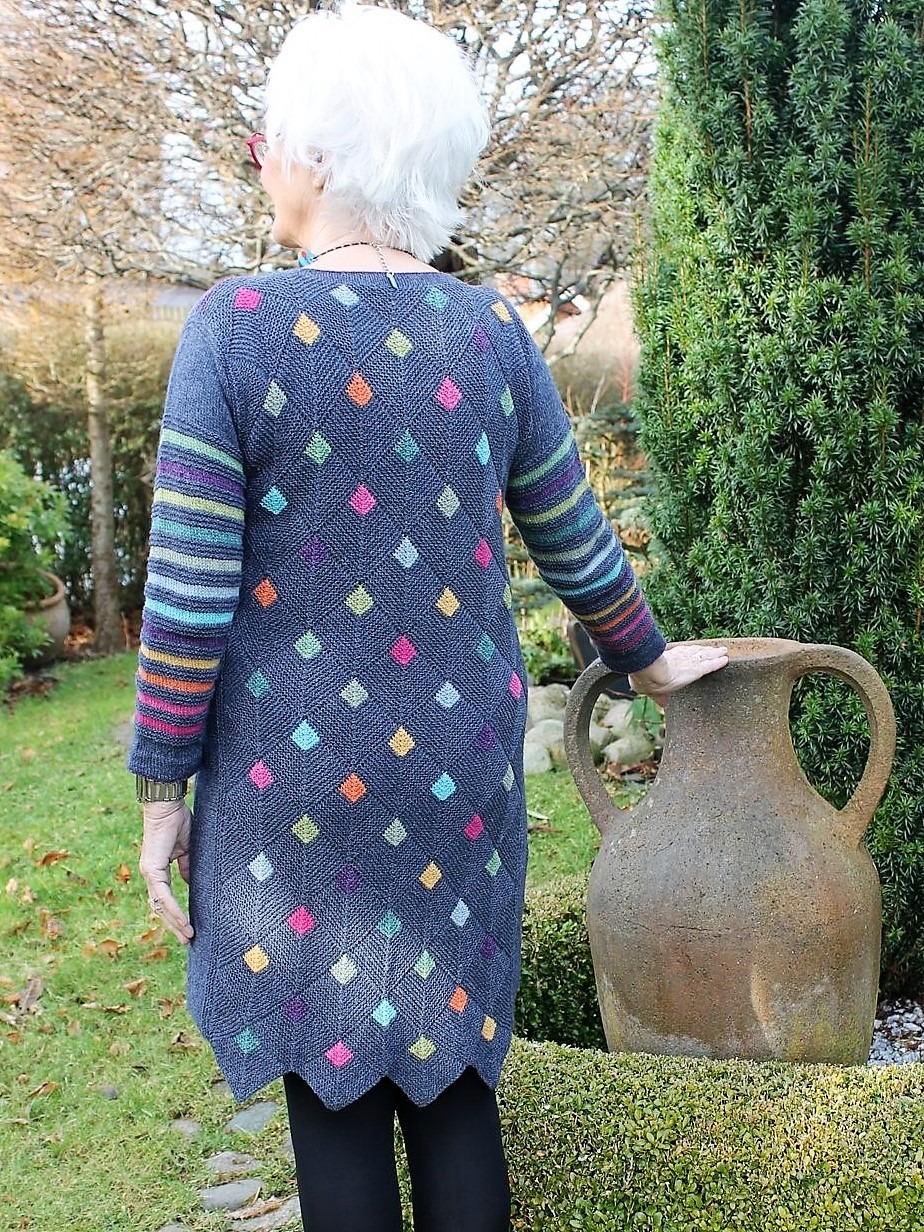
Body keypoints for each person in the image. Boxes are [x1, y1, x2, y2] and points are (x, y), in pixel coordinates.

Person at [128, 6, 727, 1230]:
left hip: (292, 784)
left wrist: (159, 792)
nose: (262, 158)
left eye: (271, 138)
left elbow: (187, 598)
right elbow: (574, 535)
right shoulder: (491, 331)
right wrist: (652, 660)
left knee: (333, 1100)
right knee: (455, 1081)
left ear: (320, 155)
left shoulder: (232, 331)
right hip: (456, 768)